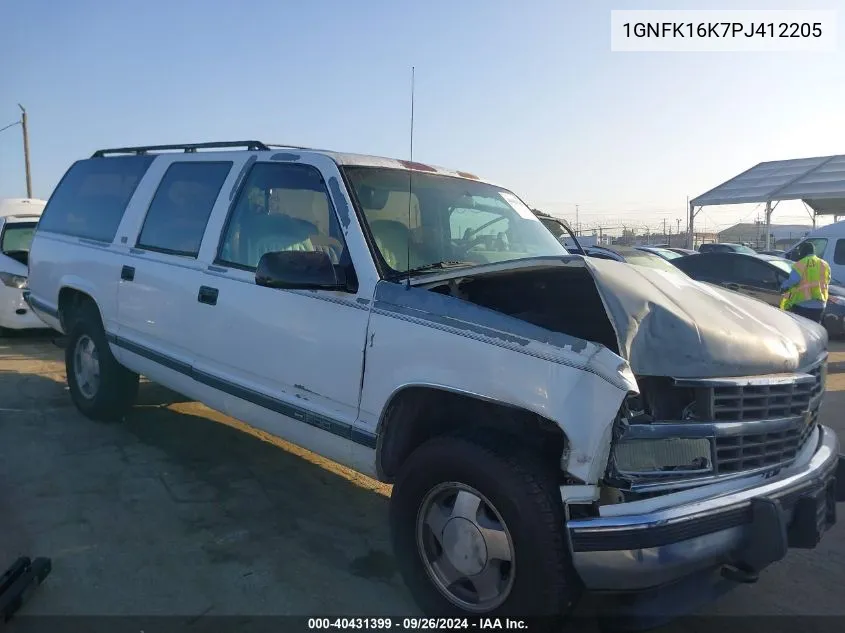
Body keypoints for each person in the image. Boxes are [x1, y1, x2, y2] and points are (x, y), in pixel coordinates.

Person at [779, 241, 831, 322]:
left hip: (803, 304)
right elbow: (827, 280)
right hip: (820, 304)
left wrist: (783, 287)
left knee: (802, 330)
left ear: (803, 251)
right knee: (815, 329)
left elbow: (793, 281)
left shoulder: (801, 263)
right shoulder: (824, 264)